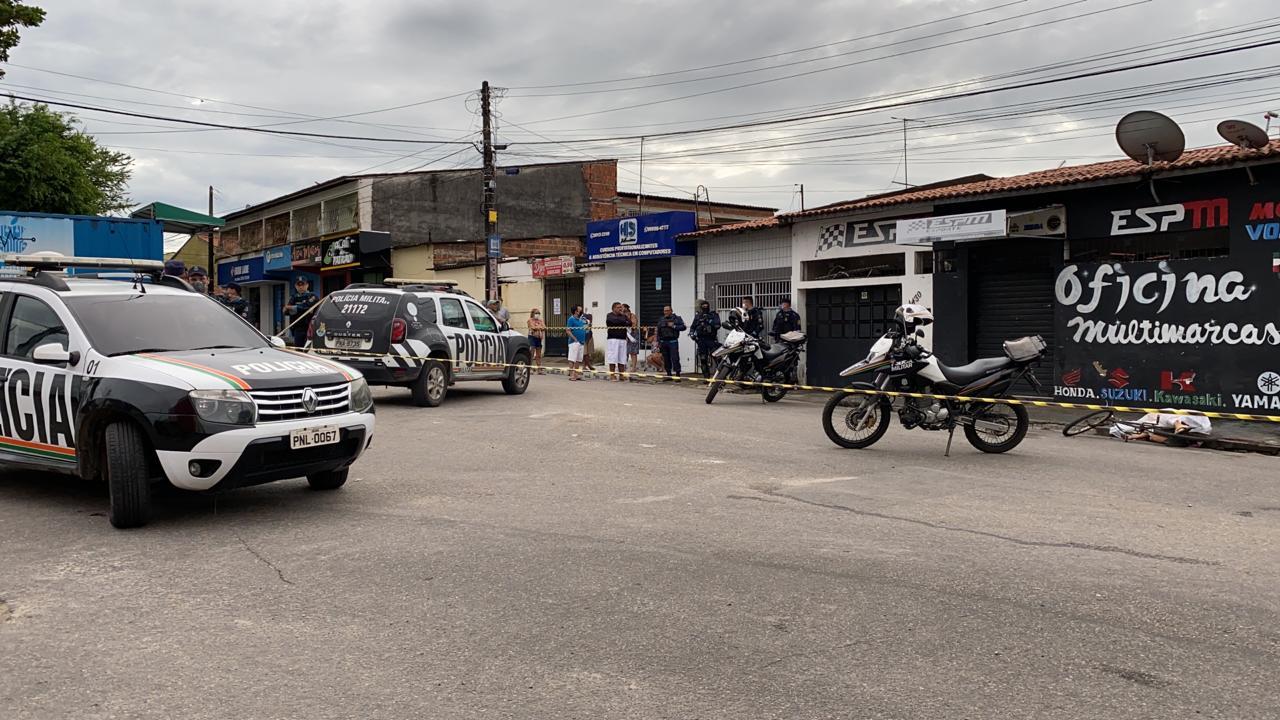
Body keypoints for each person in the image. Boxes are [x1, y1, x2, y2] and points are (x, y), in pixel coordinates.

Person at [283, 276, 319, 347]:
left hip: (310, 328)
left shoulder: (313, 296)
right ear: (295, 286)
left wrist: (293, 308)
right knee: (298, 349)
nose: (301, 287)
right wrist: (297, 309)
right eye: (298, 285)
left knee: (309, 349)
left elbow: (306, 306)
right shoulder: (293, 297)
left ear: (307, 285)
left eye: (303, 284)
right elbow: (286, 312)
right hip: (297, 329)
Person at [690, 300, 722, 379]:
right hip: (701, 340)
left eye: (706, 306)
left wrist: (709, 320)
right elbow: (693, 327)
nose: (705, 307)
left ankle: (721, 376)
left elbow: (718, 325)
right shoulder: (698, 316)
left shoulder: (713, 315)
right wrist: (692, 334)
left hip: (711, 339)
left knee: (717, 357)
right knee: (703, 358)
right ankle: (706, 378)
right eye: (703, 306)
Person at [656, 305, 686, 379]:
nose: (665, 312)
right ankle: (669, 375)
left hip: (673, 341)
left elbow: (683, 327)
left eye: (667, 310)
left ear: (671, 311)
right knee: (666, 359)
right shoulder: (661, 319)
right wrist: (658, 342)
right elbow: (658, 331)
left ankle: (677, 375)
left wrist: (674, 326)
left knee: (675, 358)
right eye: (664, 311)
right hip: (663, 342)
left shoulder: (677, 318)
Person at [605, 302, 630, 381]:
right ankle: (612, 375)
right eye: (618, 307)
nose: (620, 309)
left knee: (622, 358)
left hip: (622, 339)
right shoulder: (609, 315)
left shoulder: (623, 315)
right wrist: (623, 321)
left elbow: (629, 323)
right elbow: (613, 321)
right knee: (613, 357)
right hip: (613, 339)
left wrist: (623, 319)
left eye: (621, 307)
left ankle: (621, 375)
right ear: (614, 308)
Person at [565, 305, 589, 381]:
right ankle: (571, 374)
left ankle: (576, 374)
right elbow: (568, 330)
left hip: (581, 342)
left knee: (578, 359)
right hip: (574, 342)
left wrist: (587, 325)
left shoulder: (581, 320)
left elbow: (585, 329)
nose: (581, 311)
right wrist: (574, 339)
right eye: (579, 310)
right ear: (576, 311)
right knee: (572, 359)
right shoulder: (571, 319)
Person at [527, 308, 547, 373]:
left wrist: (538, 327)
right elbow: (532, 327)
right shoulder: (530, 320)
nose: (537, 314)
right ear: (533, 314)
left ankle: (539, 369)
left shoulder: (540, 320)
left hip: (538, 338)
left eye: (538, 313)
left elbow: (544, 327)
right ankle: (529, 368)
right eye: (536, 313)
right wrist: (539, 327)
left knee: (538, 354)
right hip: (532, 338)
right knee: (531, 353)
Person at [623, 303, 640, 377]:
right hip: (625, 334)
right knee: (624, 351)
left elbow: (634, 324)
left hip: (633, 334)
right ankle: (623, 366)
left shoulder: (632, 315)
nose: (621, 309)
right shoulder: (621, 316)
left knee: (633, 352)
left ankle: (634, 367)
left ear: (626, 308)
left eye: (623, 307)